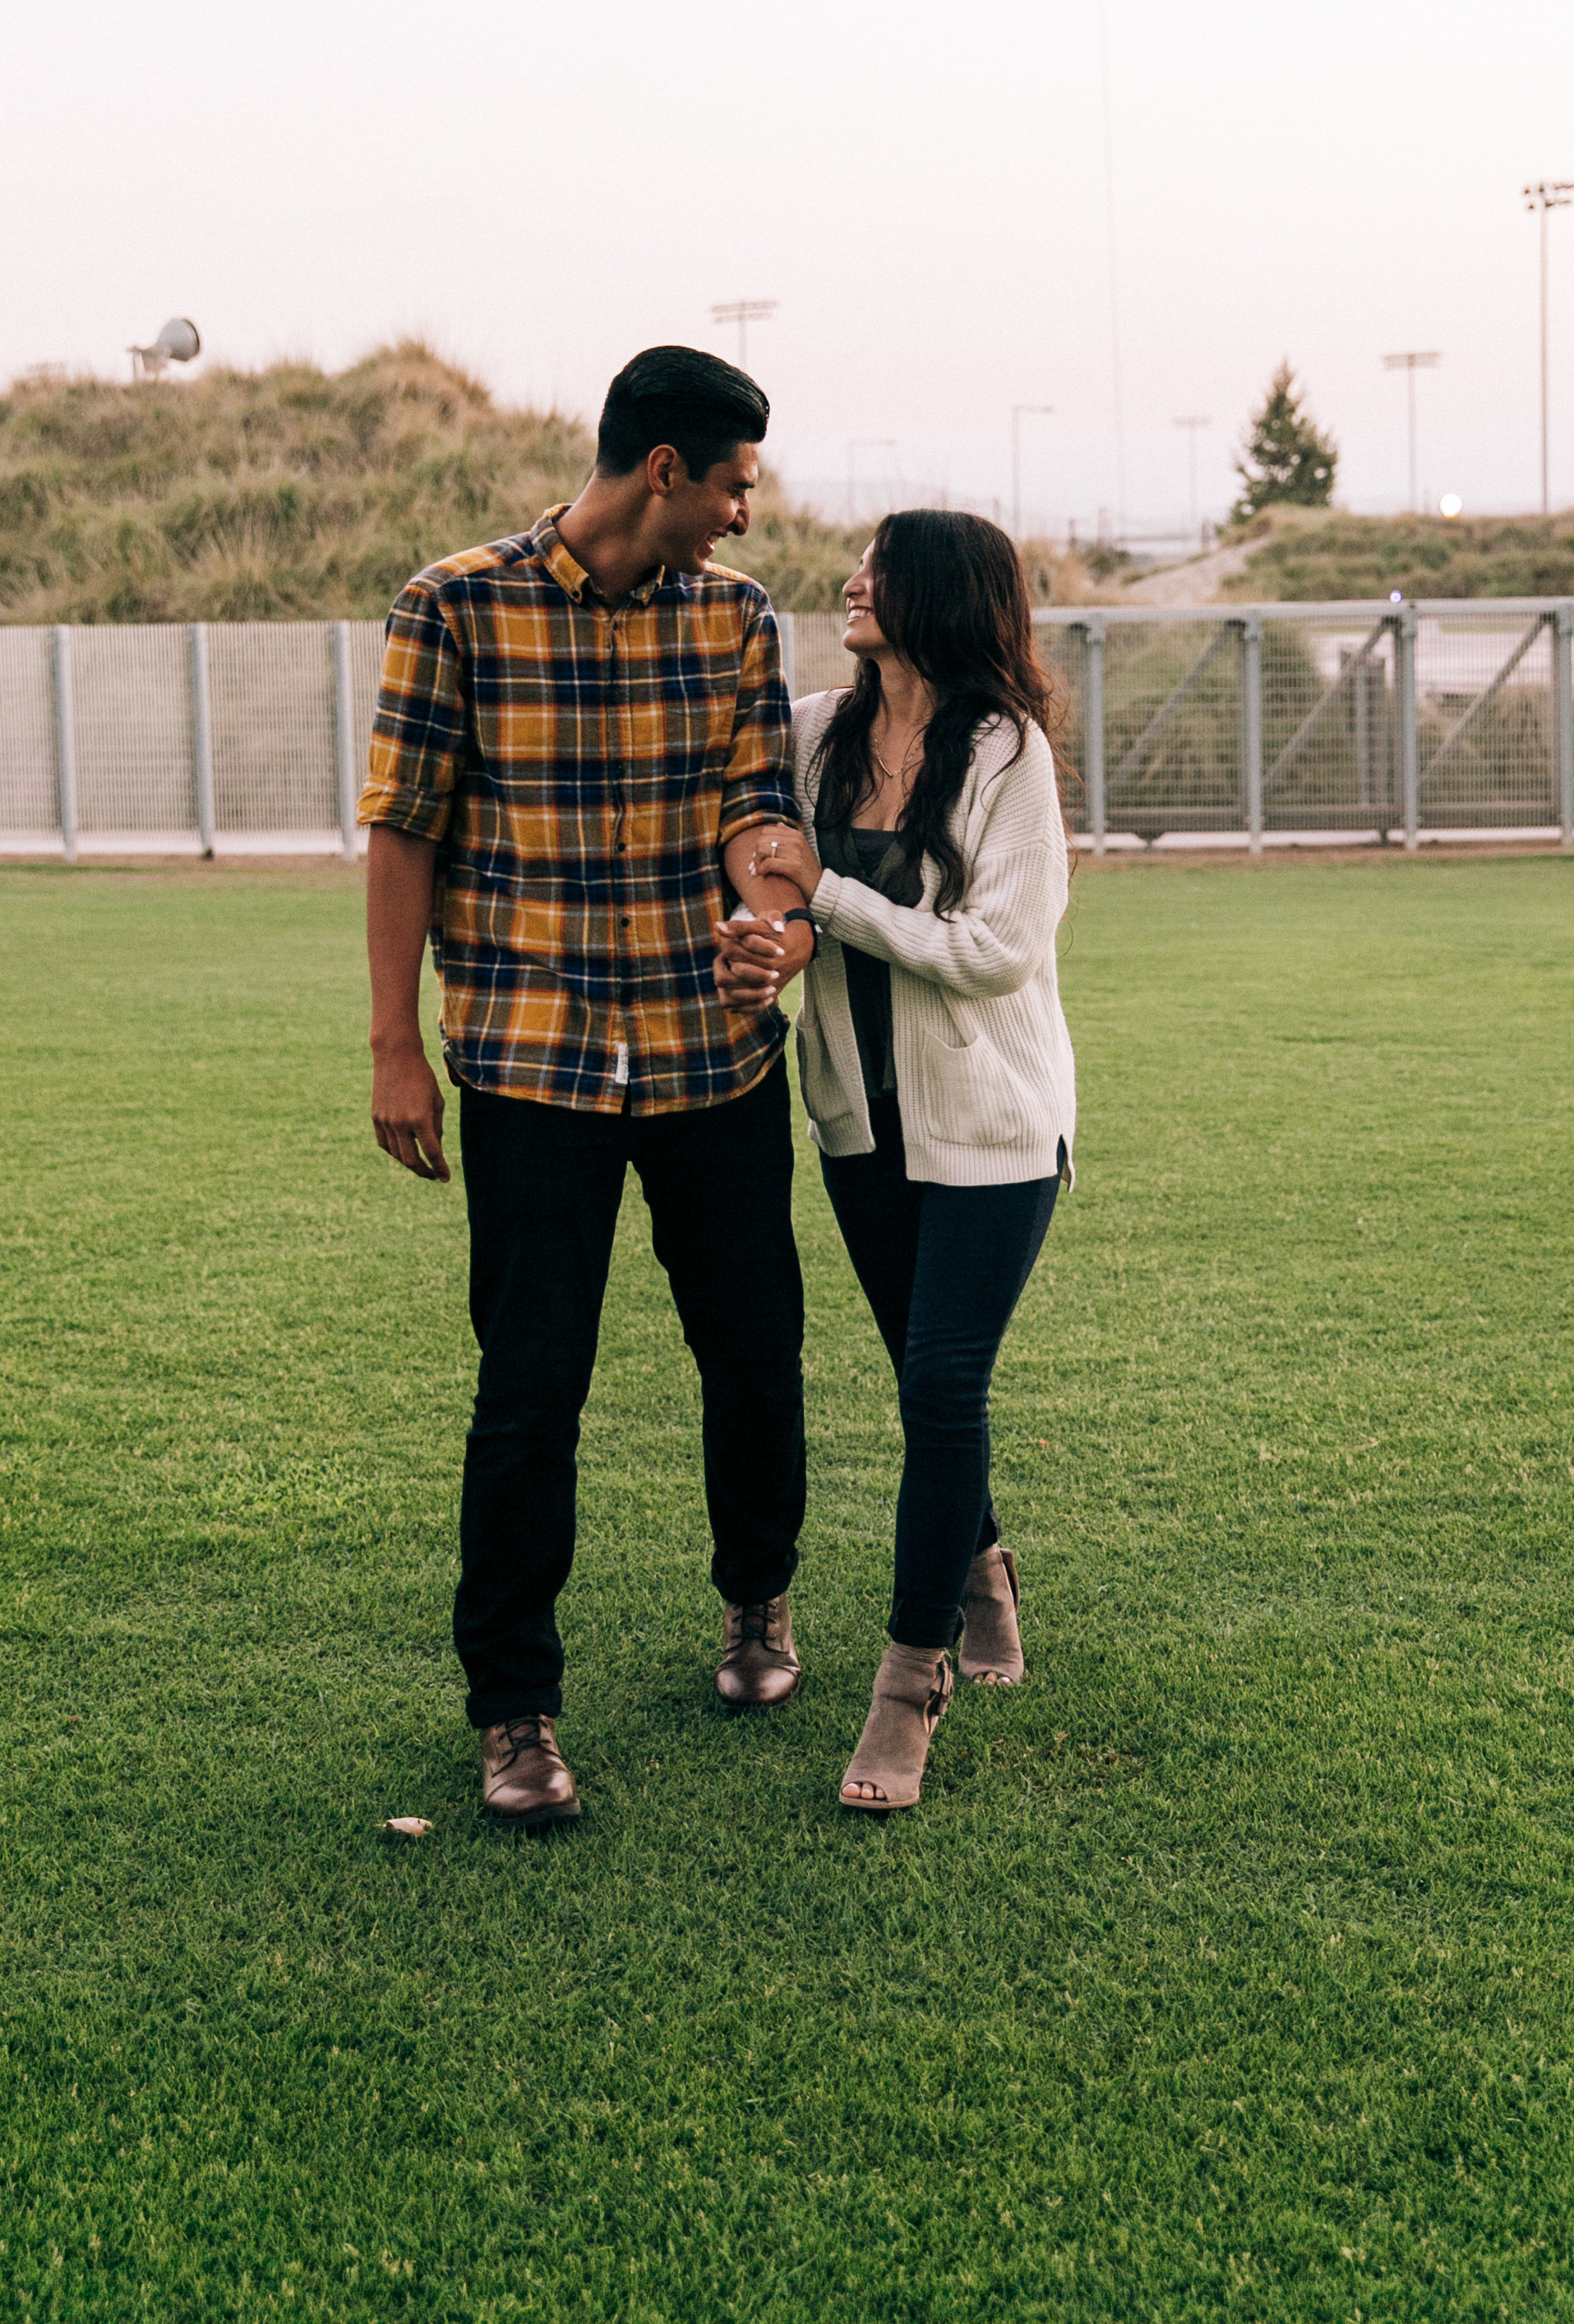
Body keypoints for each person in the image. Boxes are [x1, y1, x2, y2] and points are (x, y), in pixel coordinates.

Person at [361, 344, 823, 1830]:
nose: (750, 512)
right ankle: (513, 1707)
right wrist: (392, 1045)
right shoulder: (455, 606)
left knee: (754, 1350)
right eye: (736, 482)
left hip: (712, 1058)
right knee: (531, 1380)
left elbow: (764, 809)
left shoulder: (741, 623)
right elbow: (402, 832)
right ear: (666, 470)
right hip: (530, 1062)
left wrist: (777, 920)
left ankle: (757, 1600)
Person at [713, 510, 1077, 1814]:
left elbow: (997, 949)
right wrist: (774, 913)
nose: (853, 580)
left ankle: (904, 1682)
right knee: (926, 1384)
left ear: (944, 595)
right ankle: (980, 1562)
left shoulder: (1004, 751)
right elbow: (762, 859)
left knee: (939, 1379)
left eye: (882, 565)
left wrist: (836, 898)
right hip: (860, 1123)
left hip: (991, 1124)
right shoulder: (819, 730)